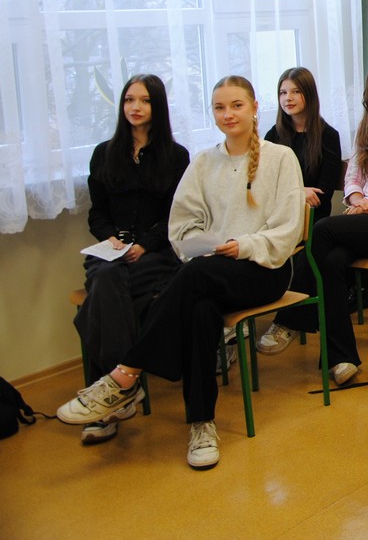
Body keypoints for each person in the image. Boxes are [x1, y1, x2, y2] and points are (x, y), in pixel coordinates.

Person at [57, 75, 305, 470]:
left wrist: (242, 245)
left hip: (264, 269)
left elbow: (287, 229)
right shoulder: (204, 162)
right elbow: (182, 226)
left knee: (195, 277)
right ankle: (202, 424)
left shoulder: (281, 157)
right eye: (220, 107)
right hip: (209, 270)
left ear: (255, 108)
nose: (228, 114)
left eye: (237, 105)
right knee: (199, 310)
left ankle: (125, 373)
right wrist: (203, 245)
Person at [257, 56, 368, 386]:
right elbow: (352, 179)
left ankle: (291, 318)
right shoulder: (367, 128)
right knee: (332, 260)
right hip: (364, 216)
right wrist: (357, 200)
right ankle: (342, 359)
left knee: (322, 230)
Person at [73, 74, 190, 445]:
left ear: (158, 106)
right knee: (107, 279)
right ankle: (122, 389)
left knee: (96, 303)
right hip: (111, 252)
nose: (135, 107)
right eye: (129, 100)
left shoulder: (176, 156)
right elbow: (97, 213)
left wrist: (144, 245)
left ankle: (108, 402)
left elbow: (176, 216)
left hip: (156, 253)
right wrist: (110, 238)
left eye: (144, 100)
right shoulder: (104, 153)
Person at [264, 67, 342, 222]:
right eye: (283, 93)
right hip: (277, 214)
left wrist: (291, 193)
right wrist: (299, 192)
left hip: (311, 217)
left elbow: (322, 195)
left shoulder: (329, 136)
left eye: (296, 92)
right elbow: (265, 184)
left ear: (310, 94)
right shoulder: (273, 135)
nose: (288, 98)